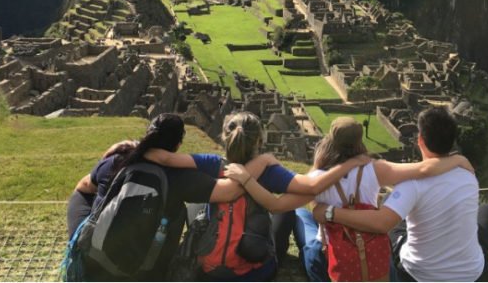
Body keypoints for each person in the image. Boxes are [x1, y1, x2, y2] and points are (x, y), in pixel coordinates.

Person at [224, 115, 475, 282]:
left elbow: (276, 205)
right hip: (366, 246)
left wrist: (249, 178)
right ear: (359, 141)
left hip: (334, 251)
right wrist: (460, 160)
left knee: (303, 214)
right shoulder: (375, 169)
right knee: (312, 214)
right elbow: (423, 169)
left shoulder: (318, 177)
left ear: (330, 140)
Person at [144, 110, 373, 281]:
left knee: (204, 207)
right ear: (260, 142)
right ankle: (273, 263)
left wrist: (134, 147)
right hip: (254, 274)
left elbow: (165, 159)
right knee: (288, 213)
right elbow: (312, 187)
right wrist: (349, 163)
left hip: (209, 269)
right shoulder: (268, 171)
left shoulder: (212, 163)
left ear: (225, 137)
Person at [75, 113, 270, 281]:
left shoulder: (117, 160)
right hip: (146, 274)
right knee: (182, 210)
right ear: (177, 145)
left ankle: (76, 245)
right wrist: (261, 163)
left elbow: (83, 187)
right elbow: (230, 191)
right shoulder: (179, 177)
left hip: (94, 262)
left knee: (81, 197)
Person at [312, 107, 488, 282]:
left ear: (420, 141)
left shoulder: (411, 183)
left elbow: (382, 223)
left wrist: (330, 212)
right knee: (487, 212)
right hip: (472, 275)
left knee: (395, 220)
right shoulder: (468, 174)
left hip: (418, 275)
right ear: (453, 141)